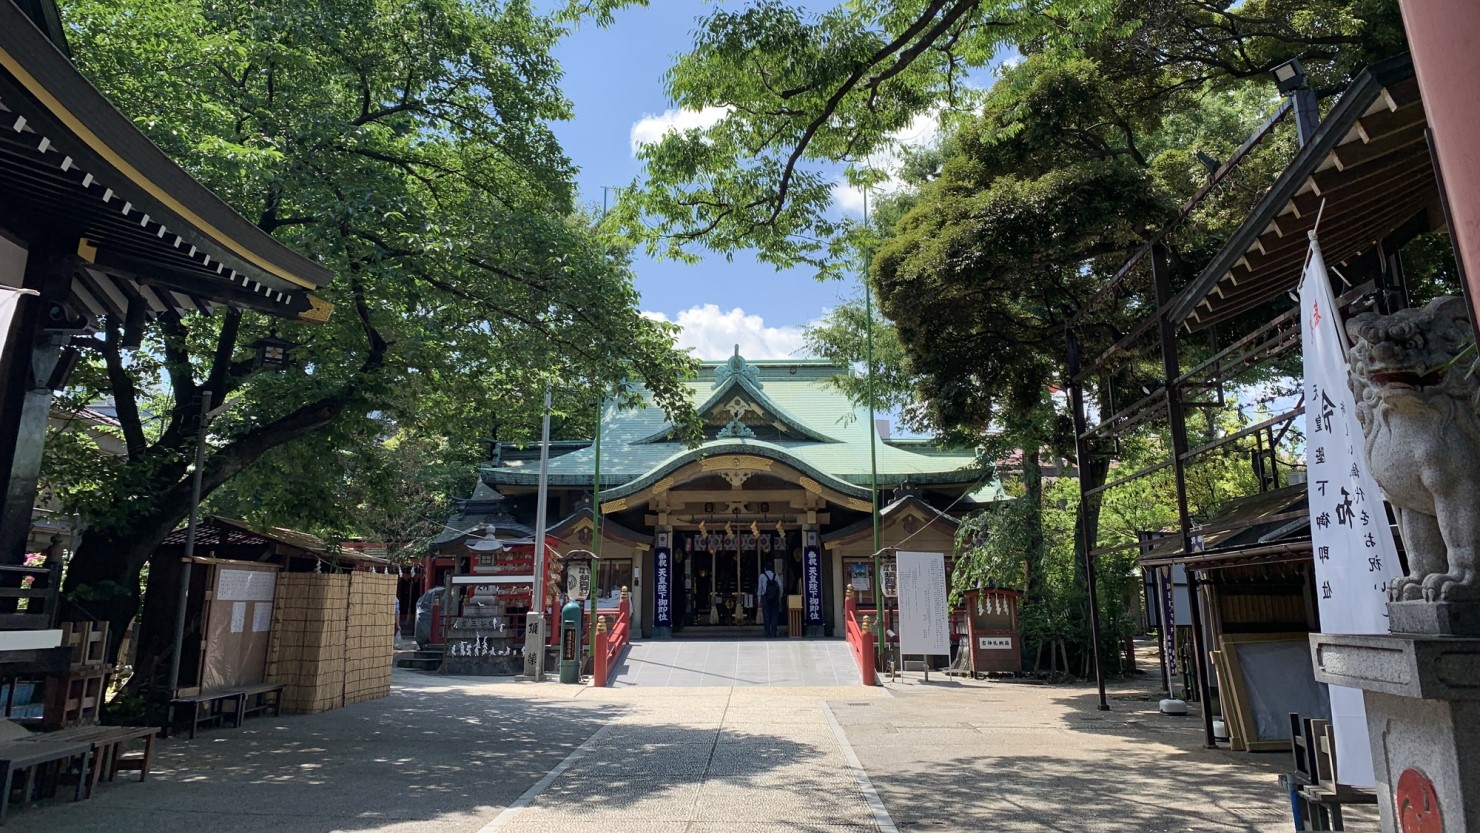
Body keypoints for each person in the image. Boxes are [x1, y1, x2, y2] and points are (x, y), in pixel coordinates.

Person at [758, 566, 783, 638]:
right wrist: (780, 596)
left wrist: (759, 598)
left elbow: (760, 587)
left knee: (766, 615)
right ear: (772, 569)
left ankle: (767, 632)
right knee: (774, 615)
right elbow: (780, 585)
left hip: (765, 598)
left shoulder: (762, 576)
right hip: (775, 598)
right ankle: (774, 633)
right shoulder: (776, 576)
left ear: (765, 569)